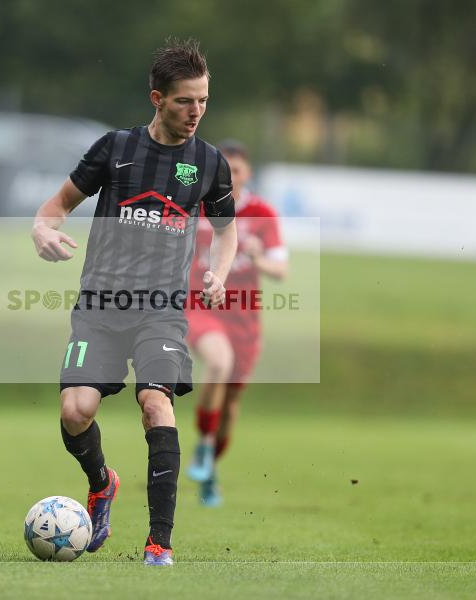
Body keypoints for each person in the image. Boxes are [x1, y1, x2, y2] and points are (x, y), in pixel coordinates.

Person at [31, 39, 237, 566]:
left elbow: (227, 231)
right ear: (157, 99)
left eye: (203, 101)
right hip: (99, 307)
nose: (195, 111)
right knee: (76, 411)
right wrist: (42, 229)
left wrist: (219, 272)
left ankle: (158, 543)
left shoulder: (209, 162)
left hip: (161, 310)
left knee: (155, 404)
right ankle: (102, 483)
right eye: (184, 101)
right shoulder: (115, 148)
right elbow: (57, 205)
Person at [185, 141, 288, 506]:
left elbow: (281, 269)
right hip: (200, 306)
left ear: (248, 174)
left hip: (244, 318)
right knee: (218, 362)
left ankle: (210, 466)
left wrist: (258, 259)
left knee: (229, 405)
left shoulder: (262, 213)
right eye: (223, 169)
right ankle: (203, 444)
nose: (229, 176)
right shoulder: (197, 205)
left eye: (237, 170)